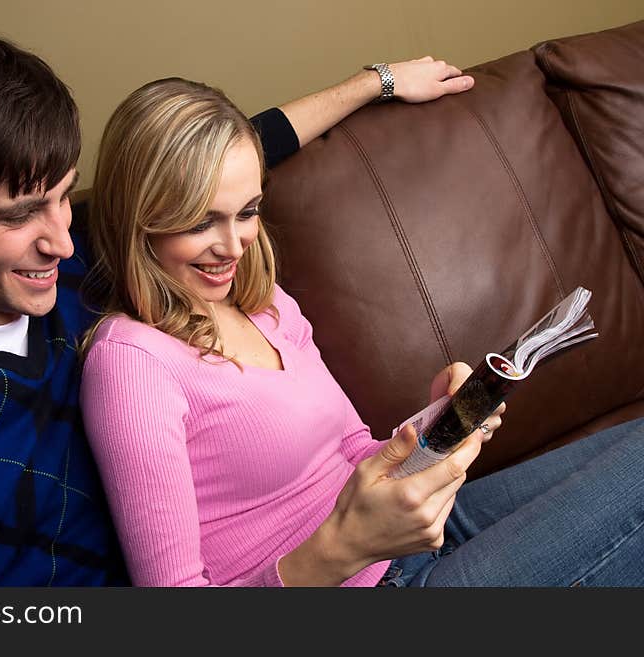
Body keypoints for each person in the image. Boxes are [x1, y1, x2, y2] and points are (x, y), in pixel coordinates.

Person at [0, 19, 474, 586]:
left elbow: (206, 164)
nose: (63, 242)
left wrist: (377, 82)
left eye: (63, 197)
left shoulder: (74, 276)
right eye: (18, 215)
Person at [79, 77, 644, 587]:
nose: (233, 246)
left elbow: (354, 451)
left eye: (247, 211)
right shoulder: (131, 363)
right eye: (201, 221)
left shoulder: (263, 303)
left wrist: (441, 419)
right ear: (140, 217)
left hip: (413, 545)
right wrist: (347, 547)